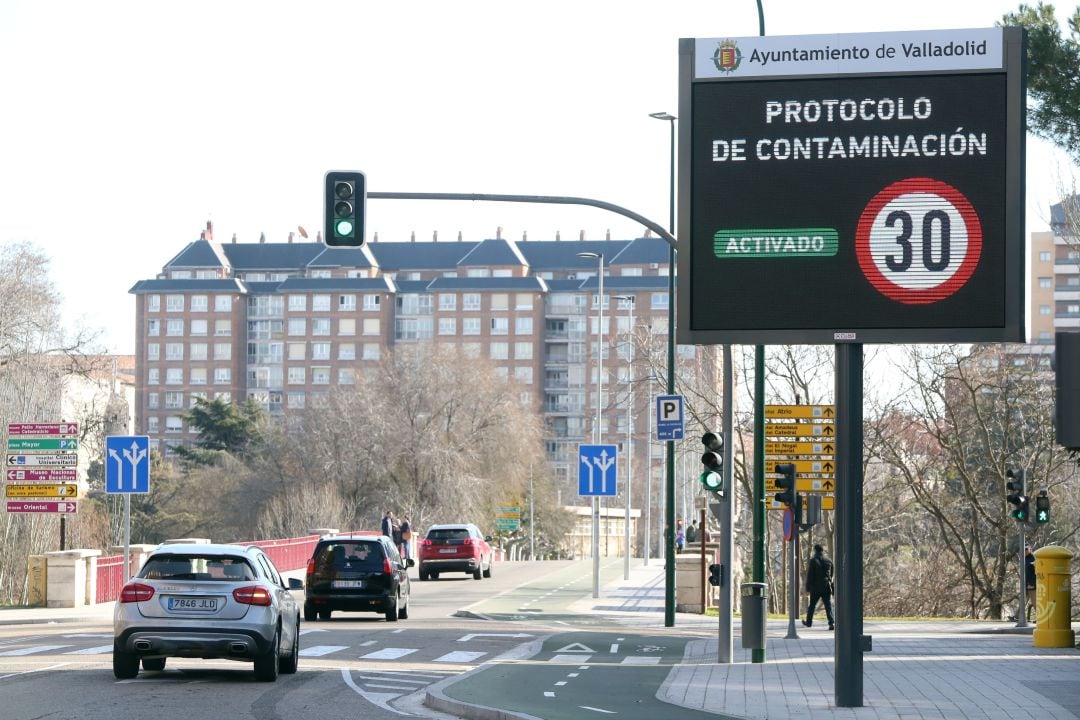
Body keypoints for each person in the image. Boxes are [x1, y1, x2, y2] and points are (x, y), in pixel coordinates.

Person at [803, 543, 835, 630]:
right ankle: (831, 623)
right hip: (826, 586)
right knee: (828, 605)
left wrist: (808, 588)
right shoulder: (829, 560)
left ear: (815, 550)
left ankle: (809, 623)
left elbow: (810, 575)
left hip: (815, 587)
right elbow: (831, 574)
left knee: (812, 605)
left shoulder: (813, 561)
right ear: (822, 550)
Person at [1025, 544, 1036, 621]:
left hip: (1032, 584)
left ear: (1030, 549)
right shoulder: (1024, 559)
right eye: (1024, 549)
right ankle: (1016, 616)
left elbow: (1036, 572)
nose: (1025, 550)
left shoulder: (1033, 558)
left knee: (1035, 602)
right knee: (1023, 600)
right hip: (1025, 584)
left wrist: (1032, 583)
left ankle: (1039, 618)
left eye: (1026, 549)